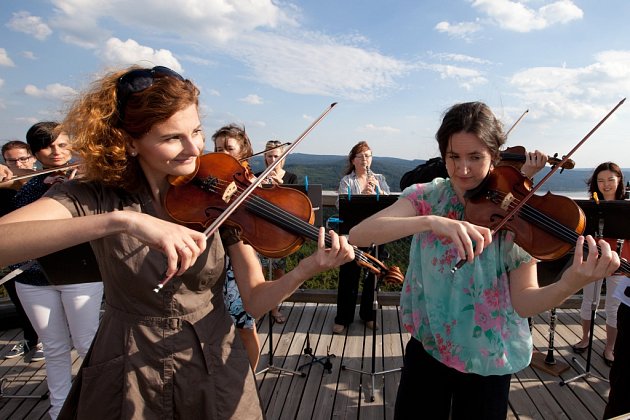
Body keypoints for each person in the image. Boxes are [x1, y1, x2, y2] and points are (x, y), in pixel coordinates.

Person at [0, 65, 353, 419]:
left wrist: (306, 269)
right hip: (129, 363)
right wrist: (123, 221)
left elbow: (256, 300)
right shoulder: (97, 196)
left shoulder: (221, 199)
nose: (193, 149)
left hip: (212, 359)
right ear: (129, 142)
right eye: (172, 138)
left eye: (197, 131)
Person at [347, 101, 620, 420]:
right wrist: (432, 222)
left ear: (495, 156)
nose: (463, 170)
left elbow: (524, 302)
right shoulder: (431, 196)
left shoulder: (516, 212)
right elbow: (359, 234)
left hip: (487, 362)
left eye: (475, 157)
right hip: (428, 347)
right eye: (454, 157)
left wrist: (570, 283)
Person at [8, 122, 103, 419]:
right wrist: (28, 185)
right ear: (36, 153)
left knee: (89, 344)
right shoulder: (29, 185)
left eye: (63, 145)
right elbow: (18, 222)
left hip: (81, 274)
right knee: (54, 347)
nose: (57, 152)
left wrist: (74, 185)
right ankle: (59, 409)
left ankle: (97, 406)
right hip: (33, 278)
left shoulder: (86, 177)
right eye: (48, 147)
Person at [211, 123, 261, 369]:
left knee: (244, 327)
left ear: (243, 152)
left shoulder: (249, 182)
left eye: (228, 148)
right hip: (211, 259)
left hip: (239, 262)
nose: (222, 154)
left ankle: (250, 378)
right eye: (218, 148)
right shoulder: (209, 179)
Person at [572, 162, 630, 367]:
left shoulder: (627, 206)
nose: (605, 185)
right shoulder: (590, 207)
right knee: (588, 301)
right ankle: (585, 338)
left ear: (619, 181)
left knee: (613, 307)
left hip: (620, 262)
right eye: (600, 180)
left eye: (610, 180)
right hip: (594, 260)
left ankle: (609, 348)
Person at [332, 141, 390, 335]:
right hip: (353, 236)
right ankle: (343, 317)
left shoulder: (380, 179)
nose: (365, 159)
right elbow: (341, 206)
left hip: (377, 234)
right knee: (349, 277)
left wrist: (378, 193)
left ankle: (369, 315)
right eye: (361, 156)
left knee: (373, 276)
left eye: (368, 155)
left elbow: (390, 205)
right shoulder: (347, 181)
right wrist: (362, 197)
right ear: (353, 160)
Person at [1, 140, 42, 361]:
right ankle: (30, 338)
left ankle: (43, 339)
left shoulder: (43, 182)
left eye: (23, 158)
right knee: (19, 299)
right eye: (12, 160)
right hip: (15, 256)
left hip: (43, 254)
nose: (19, 163)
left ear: (33, 158)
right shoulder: (4, 187)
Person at [255, 139, 298, 324]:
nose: (273, 159)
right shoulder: (256, 176)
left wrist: (279, 186)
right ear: (265, 157)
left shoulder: (291, 178)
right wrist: (259, 185)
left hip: (281, 231)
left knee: (279, 271)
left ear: (283, 157)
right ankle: (258, 306)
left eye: (277, 156)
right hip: (260, 229)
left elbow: (294, 205)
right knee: (259, 270)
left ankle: (274, 307)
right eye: (270, 156)